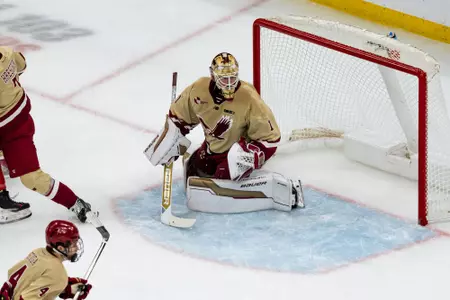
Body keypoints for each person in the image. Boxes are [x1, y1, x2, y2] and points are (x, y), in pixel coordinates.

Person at [145, 52, 305, 213]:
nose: (229, 84)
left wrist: (251, 156)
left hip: (237, 152)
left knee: (225, 171)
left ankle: (271, 189)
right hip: (213, 148)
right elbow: (180, 118)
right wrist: (171, 139)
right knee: (194, 169)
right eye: (224, 79)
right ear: (213, 76)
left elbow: (271, 138)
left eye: (232, 78)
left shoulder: (248, 97)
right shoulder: (199, 90)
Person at [0, 46, 96, 223]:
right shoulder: (6, 52)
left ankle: (74, 202)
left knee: (32, 178)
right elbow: (21, 64)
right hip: (16, 120)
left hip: (14, 128)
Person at [0, 220, 92, 300]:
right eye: (74, 244)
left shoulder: (38, 252)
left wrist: (64, 288)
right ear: (60, 248)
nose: (77, 248)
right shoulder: (57, 273)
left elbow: (27, 279)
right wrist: (58, 281)